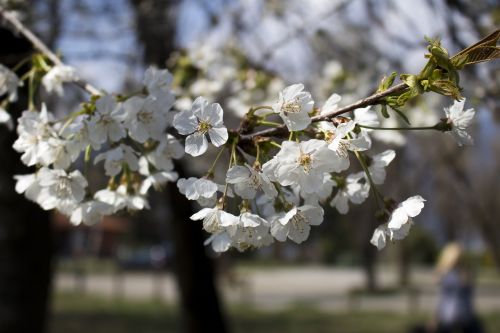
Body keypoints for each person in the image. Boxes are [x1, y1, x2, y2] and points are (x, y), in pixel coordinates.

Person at [432, 242, 484, 333]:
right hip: (457, 315)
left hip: (454, 315)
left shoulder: (450, 275)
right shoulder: (454, 275)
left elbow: (443, 299)